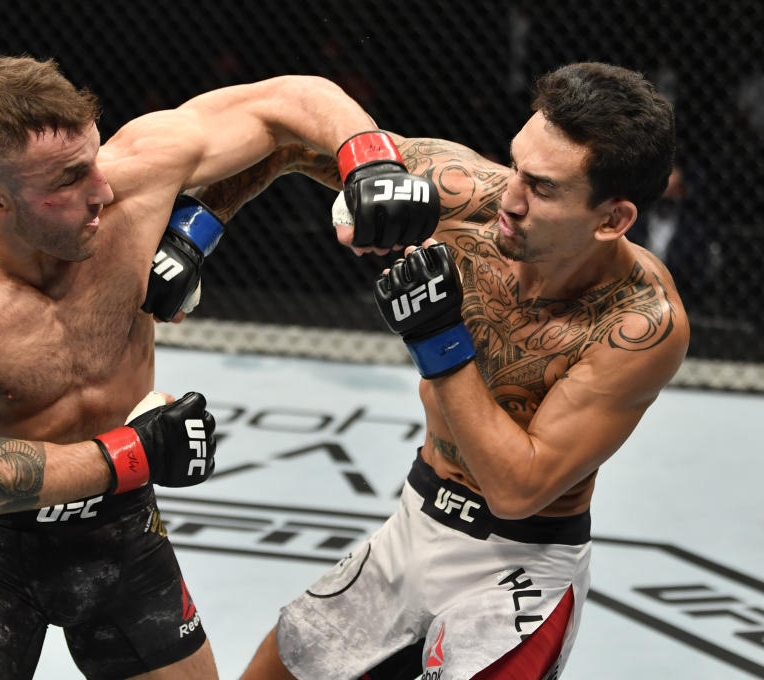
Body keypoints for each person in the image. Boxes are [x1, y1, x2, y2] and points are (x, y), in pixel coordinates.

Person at [0, 55, 439, 680]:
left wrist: (369, 158)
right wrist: (138, 451)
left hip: (123, 533)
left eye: (92, 160)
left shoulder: (132, 177)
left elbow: (286, 103)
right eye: (69, 179)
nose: (103, 189)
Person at [196, 62, 689, 679]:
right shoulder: (464, 195)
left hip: (518, 572)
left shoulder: (639, 324)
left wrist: (439, 339)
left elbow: (518, 489)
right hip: (414, 521)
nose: (510, 198)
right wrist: (197, 232)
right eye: (515, 165)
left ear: (612, 219)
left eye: (543, 187)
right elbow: (289, 140)